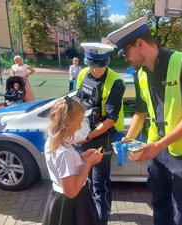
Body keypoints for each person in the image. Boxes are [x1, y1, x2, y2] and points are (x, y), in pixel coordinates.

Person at [107, 17, 182, 225]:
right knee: (160, 203)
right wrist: (129, 138)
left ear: (140, 43)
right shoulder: (140, 75)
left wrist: (160, 145)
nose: (126, 59)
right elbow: (140, 111)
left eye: (126, 53)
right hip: (157, 151)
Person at [75, 42, 126, 225]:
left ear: (108, 60)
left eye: (100, 66)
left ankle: (101, 220)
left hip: (102, 137)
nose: (95, 70)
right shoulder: (82, 73)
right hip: (83, 134)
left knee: (100, 182)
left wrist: (88, 137)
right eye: (91, 65)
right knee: (84, 179)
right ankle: (90, 215)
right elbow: (77, 100)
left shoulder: (115, 82)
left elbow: (111, 118)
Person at [42, 97, 103, 225]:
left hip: (60, 199)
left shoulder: (54, 140)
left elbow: (62, 166)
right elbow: (71, 192)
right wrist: (89, 164)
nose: (80, 126)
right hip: (71, 205)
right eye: (79, 122)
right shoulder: (63, 152)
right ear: (67, 123)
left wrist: (81, 158)